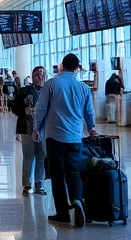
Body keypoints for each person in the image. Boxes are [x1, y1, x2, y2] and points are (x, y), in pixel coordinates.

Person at [34, 54, 96, 228]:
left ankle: (62, 212)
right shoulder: (83, 87)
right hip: (75, 137)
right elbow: (89, 112)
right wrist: (91, 129)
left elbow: (40, 109)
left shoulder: (51, 84)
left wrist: (36, 130)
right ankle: (77, 201)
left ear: (61, 66)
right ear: (77, 68)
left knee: (57, 175)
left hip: (55, 136)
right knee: (73, 171)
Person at [10, 66, 47, 197]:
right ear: (32, 76)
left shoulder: (48, 91)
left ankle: (39, 182)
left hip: (44, 129)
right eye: (36, 74)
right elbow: (13, 107)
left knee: (41, 156)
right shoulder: (24, 91)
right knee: (29, 156)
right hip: (26, 128)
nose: (39, 77)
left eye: (42, 74)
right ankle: (27, 184)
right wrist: (24, 110)